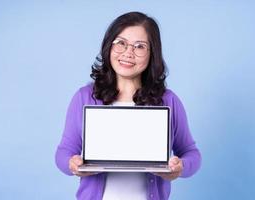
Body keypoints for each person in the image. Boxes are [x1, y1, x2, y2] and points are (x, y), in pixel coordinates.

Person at [55, 11, 201, 200]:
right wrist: (71, 163)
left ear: (152, 54)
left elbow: (191, 154)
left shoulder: (168, 101)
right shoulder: (85, 97)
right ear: (109, 46)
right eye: (121, 43)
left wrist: (180, 167)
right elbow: (63, 152)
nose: (128, 53)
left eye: (139, 46)